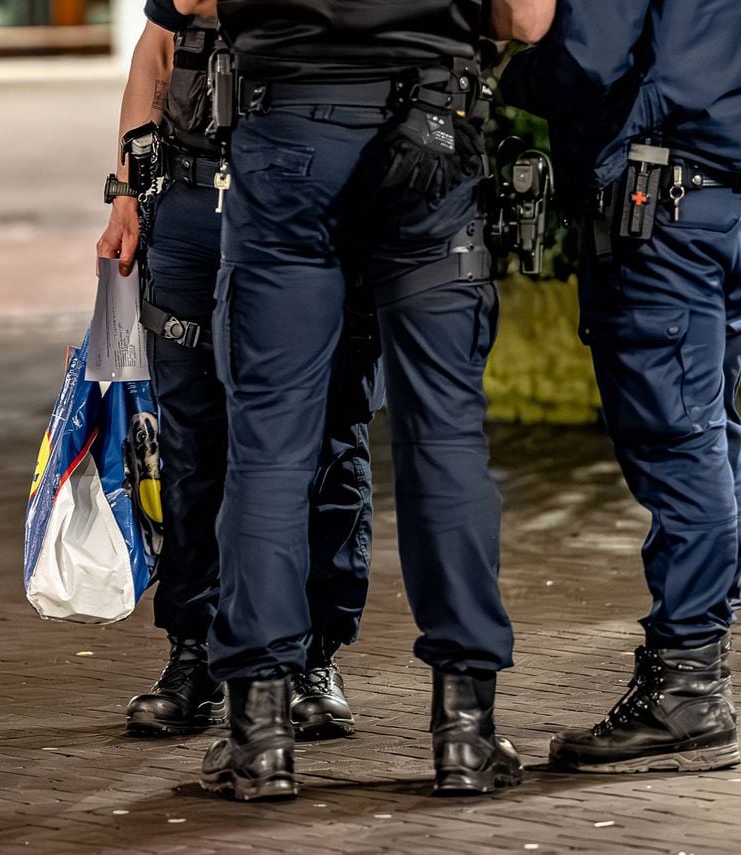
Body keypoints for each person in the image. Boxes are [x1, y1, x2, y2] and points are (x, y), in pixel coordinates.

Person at [169, 0, 553, 800]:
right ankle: (466, 733)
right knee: (444, 435)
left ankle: (261, 737)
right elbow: (528, 17)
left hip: (287, 139)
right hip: (433, 144)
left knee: (271, 440)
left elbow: (188, 4)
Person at [501, 0, 741, 772]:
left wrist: (506, 73)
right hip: (738, 200)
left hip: (666, 207)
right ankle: (693, 670)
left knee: (681, 443)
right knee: (708, 435)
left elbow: (589, 54)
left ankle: (688, 689)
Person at [95, 2, 382, 741]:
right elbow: (159, 48)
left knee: (328, 436)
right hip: (191, 202)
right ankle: (196, 651)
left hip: (311, 199)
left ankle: (314, 653)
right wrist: (128, 187)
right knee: (193, 445)